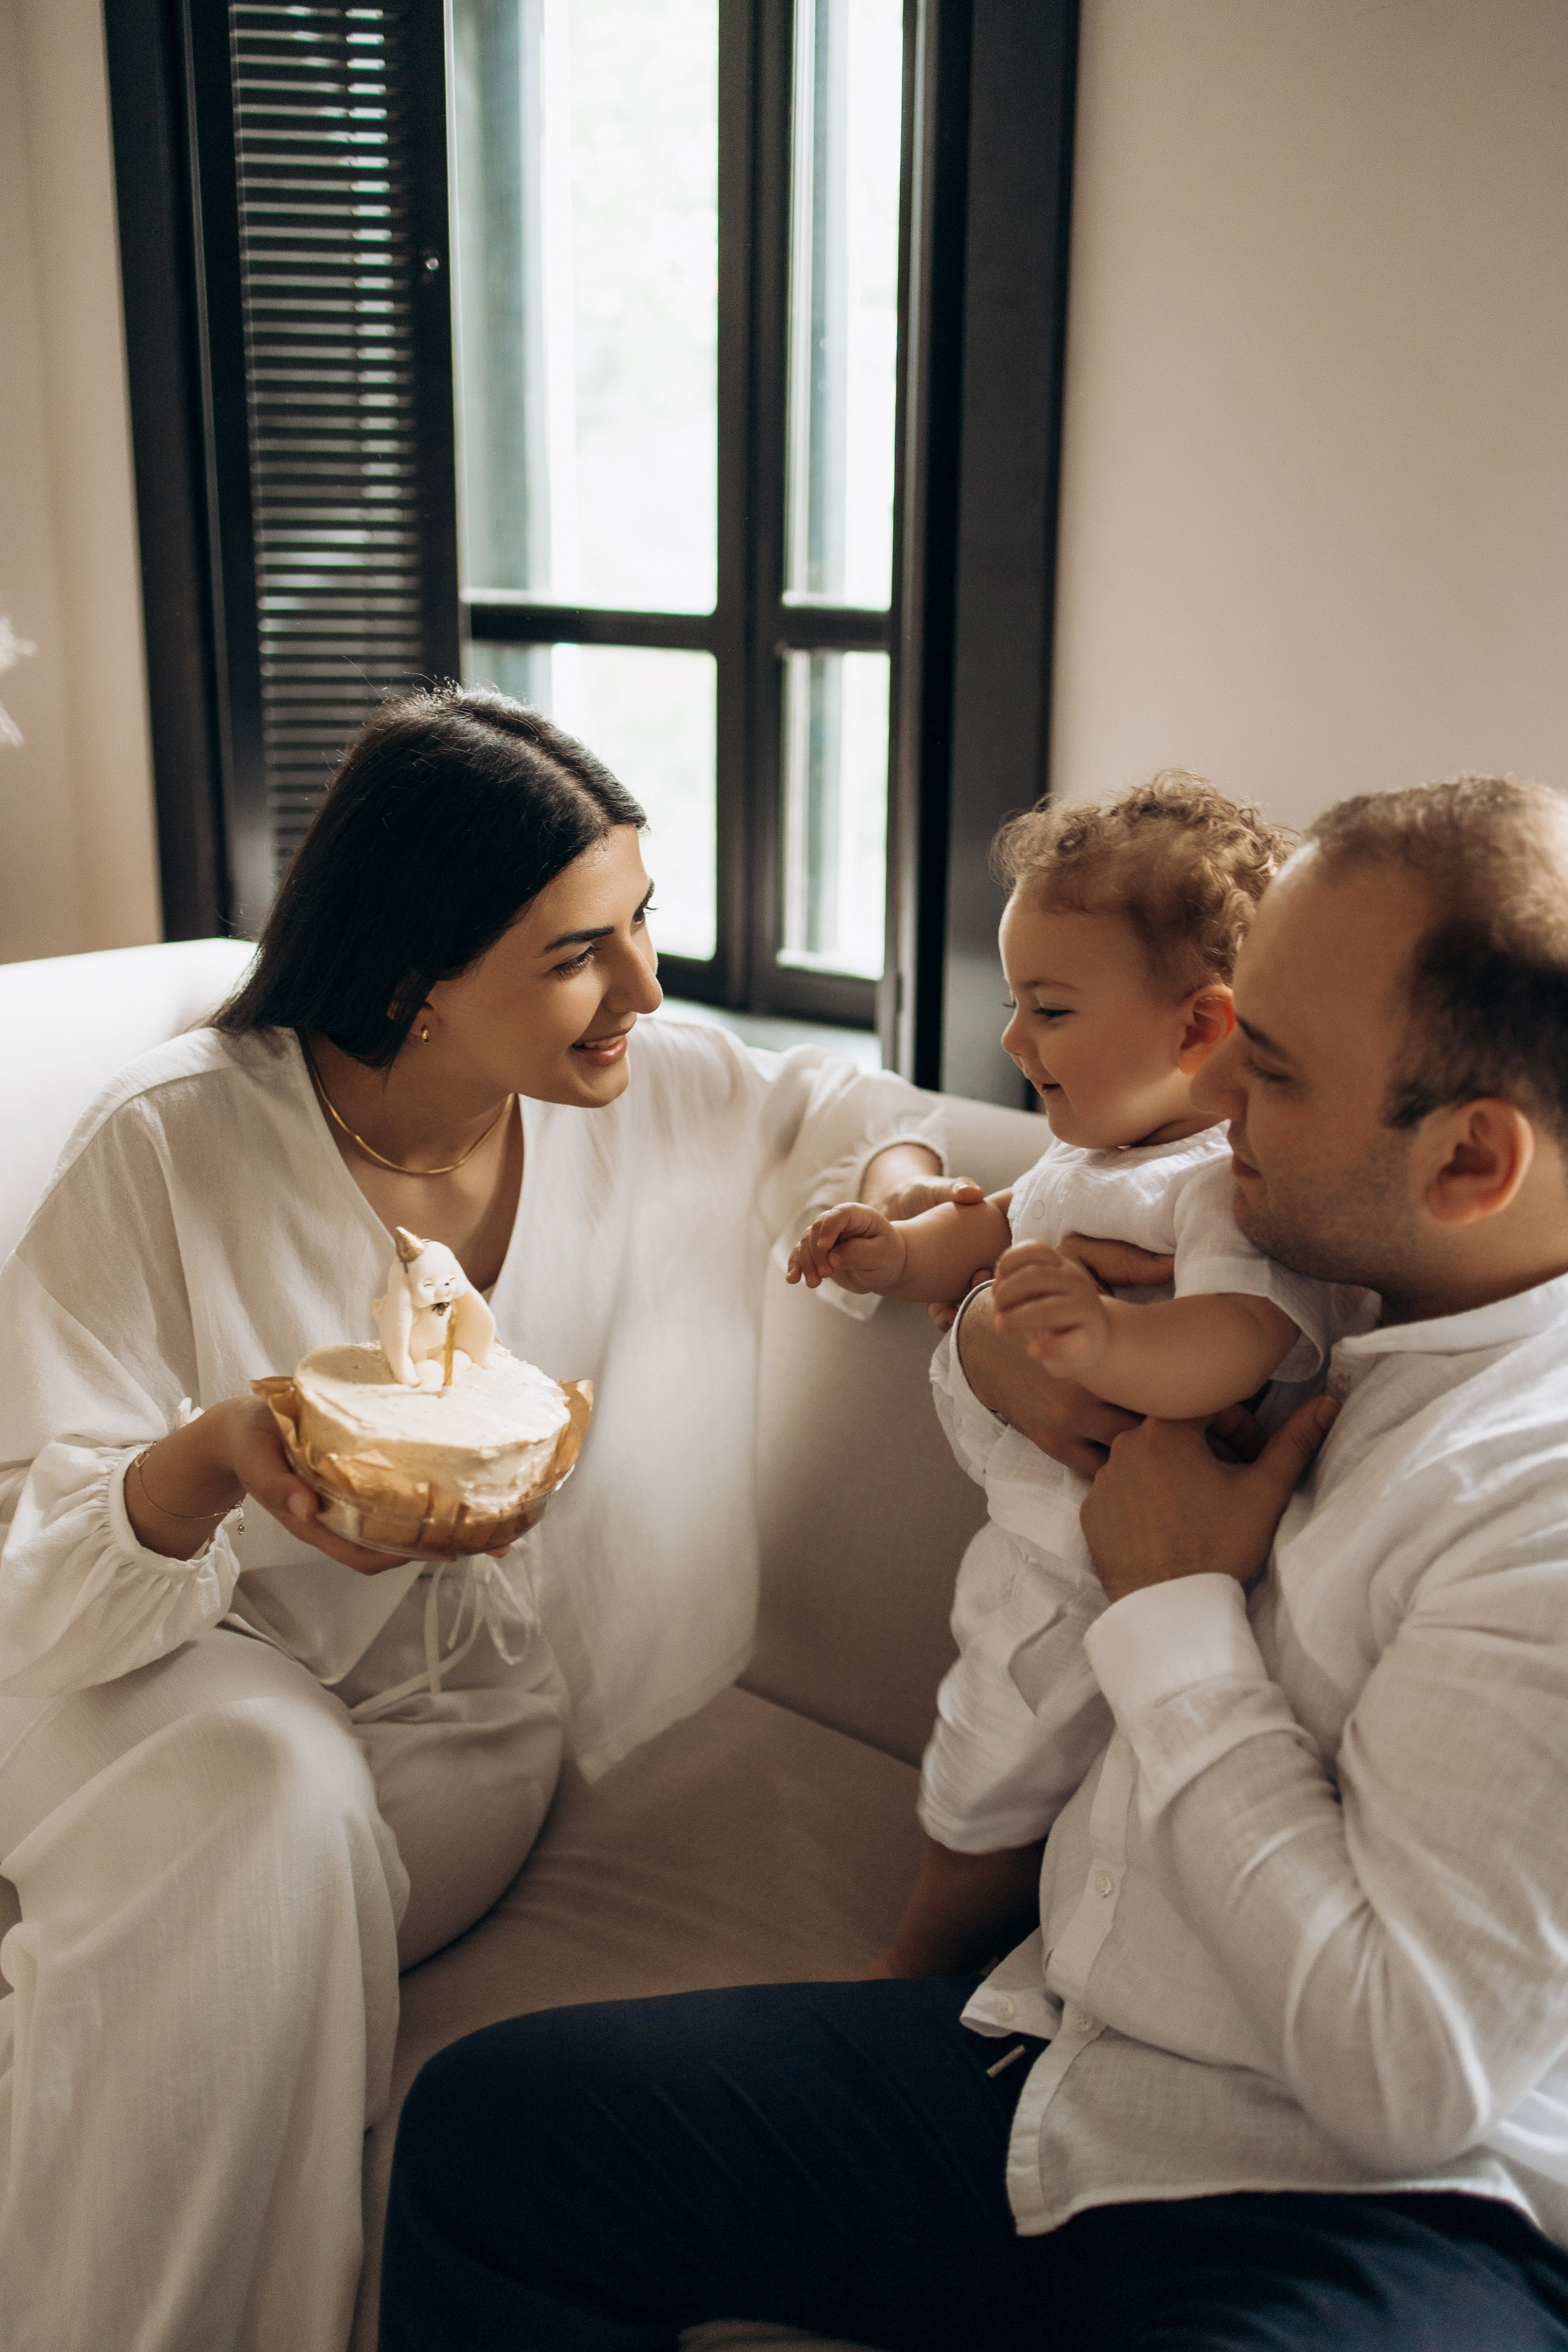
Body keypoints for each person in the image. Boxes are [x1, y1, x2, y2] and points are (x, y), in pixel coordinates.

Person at [379, 774, 1568, 2352]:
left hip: (1369, 2207)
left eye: (1268, 1069)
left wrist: (1171, 1610)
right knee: (492, 2137)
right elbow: (1037, 1286)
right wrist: (995, 1344)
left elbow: (1402, 2081)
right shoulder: (1336, 1257)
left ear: (1471, 1162)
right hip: (1046, 2069)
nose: (1213, 1089)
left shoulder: (1528, 1495)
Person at [0, 686, 952, 2352]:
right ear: (412, 985)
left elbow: (844, 1117)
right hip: (153, 1676)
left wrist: (903, 1209)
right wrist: (218, 1456)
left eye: (641, 923)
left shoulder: (648, 1091)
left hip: (463, 1749)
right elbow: (42, 1584)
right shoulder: (168, 1144)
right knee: (267, 1785)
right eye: (580, 952)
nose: (645, 988)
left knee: (275, 1837)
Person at [788, 777, 1370, 1959]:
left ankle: (915, 1968)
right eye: (1016, 1003)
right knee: (992, 1767)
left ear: (1201, 1028)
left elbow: (1241, 1338)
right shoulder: (1092, 1155)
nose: (1014, 1040)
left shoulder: (1219, 1184)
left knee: (988, 1785)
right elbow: (991, 1228)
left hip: (1103, 1576)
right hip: (1035, 1556)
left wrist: (1108, 1341)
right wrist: (893, 1252)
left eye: (1047, 1009)